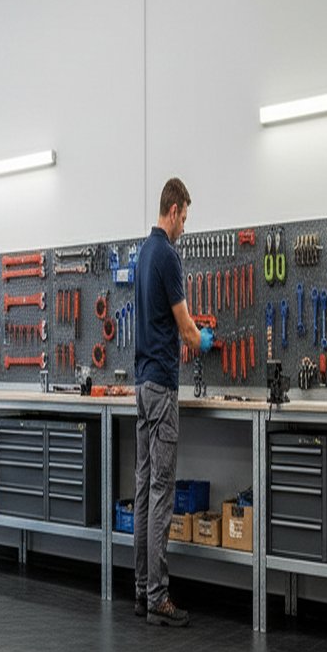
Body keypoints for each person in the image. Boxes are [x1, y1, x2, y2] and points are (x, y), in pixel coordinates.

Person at [133, 177, 213, 627]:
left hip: (142, 389)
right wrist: (203, 340)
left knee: (144, 488)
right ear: (176, 208)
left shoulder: (144, 253)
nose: (185, 225)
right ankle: (159, 599)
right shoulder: (168, 254)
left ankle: (142, 590)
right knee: (162, 489)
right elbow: (185, 329)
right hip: (162, 387)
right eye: (185, 217)